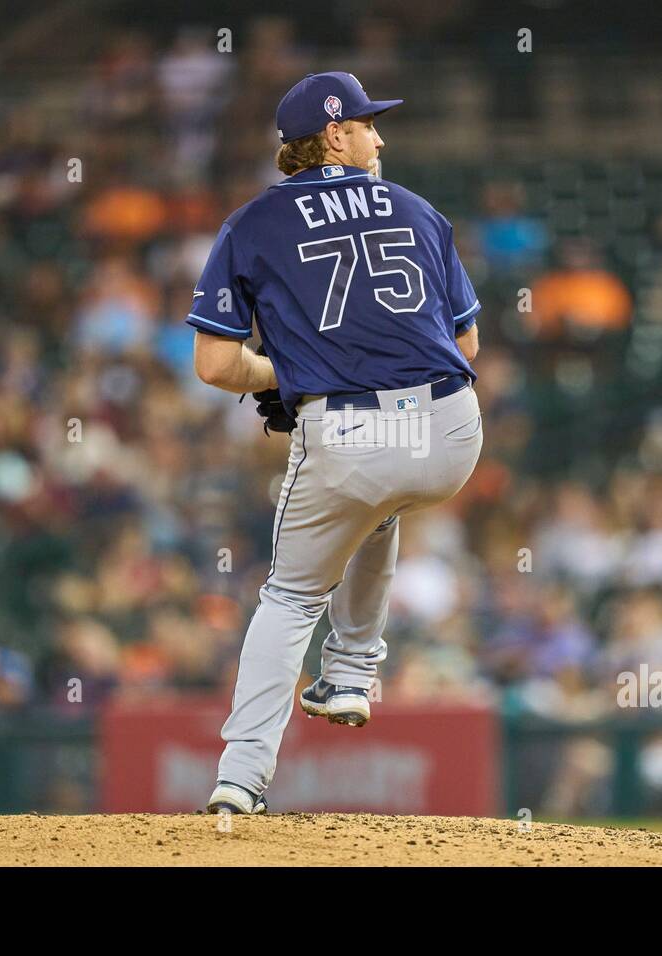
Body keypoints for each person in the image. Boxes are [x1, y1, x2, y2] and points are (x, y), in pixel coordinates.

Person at [186, 72, 484, 815]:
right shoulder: (417, 209)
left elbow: (216, 365)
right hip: (451, 429)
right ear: (332, 135)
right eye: (367, 123)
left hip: (348, 434)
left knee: (289, 597)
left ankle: (239, 779)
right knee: (382, 503)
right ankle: (351, 672)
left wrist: (283, 375)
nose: (379, 137)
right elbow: (467, 341)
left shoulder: (251, 224)